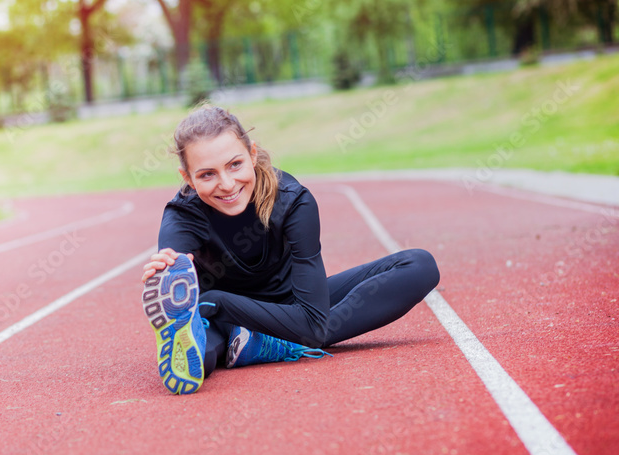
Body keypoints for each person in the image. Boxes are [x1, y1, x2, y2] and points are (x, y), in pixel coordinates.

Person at [140, 105, 440, 395]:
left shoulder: (293, 201)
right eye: (207, 174)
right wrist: (166, 267)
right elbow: (174, 282)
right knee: (198, 361)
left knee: (420, 265)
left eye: (235, 164)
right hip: (226, 322)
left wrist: (217, 301)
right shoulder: (183, 216)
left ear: (252, 154)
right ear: (187, 178)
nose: (227, 184)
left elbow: (313, 324)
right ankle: (253, 343)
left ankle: (255, 343)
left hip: (291, 307)